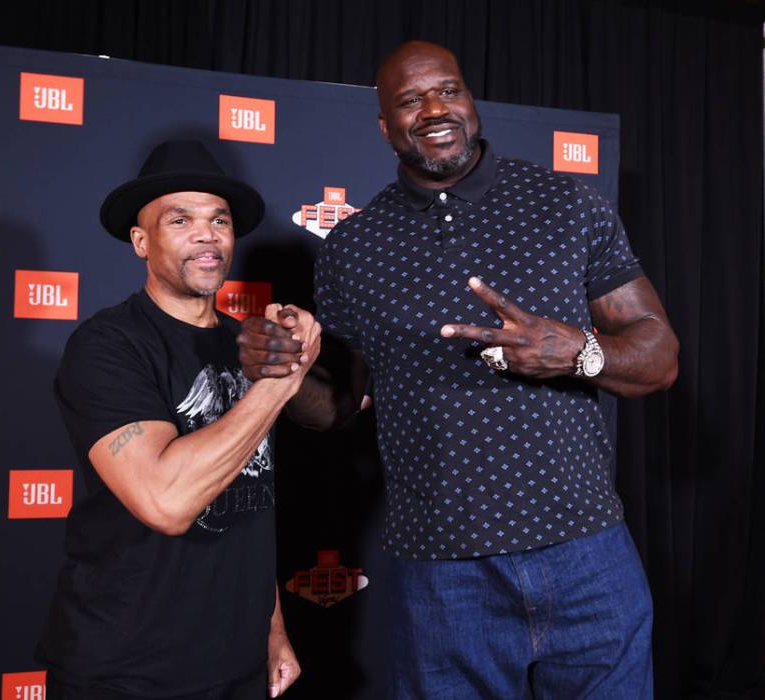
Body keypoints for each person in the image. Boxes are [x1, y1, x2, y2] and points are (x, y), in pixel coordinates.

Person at [238, 41, 678, 698]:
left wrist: (580, 351)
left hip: (586, 552)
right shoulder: (353, 248)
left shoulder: (567, 203)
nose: (434, 109)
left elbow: (659, 355)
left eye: (448, 89)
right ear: (385, 127)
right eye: (410, 100)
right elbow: (335, 408)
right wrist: (284, 375)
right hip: (443, 577)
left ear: (471, 102)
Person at [37, 140, 318, 699]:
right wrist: (282, 381)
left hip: (236, 662)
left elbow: (251, 496)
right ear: (141, 241)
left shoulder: (247, 344)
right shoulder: (108, 345)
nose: (207, 234)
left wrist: (272, 629)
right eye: (180, 219)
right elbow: (166, 503)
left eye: (219, 219)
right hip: (127, 669)